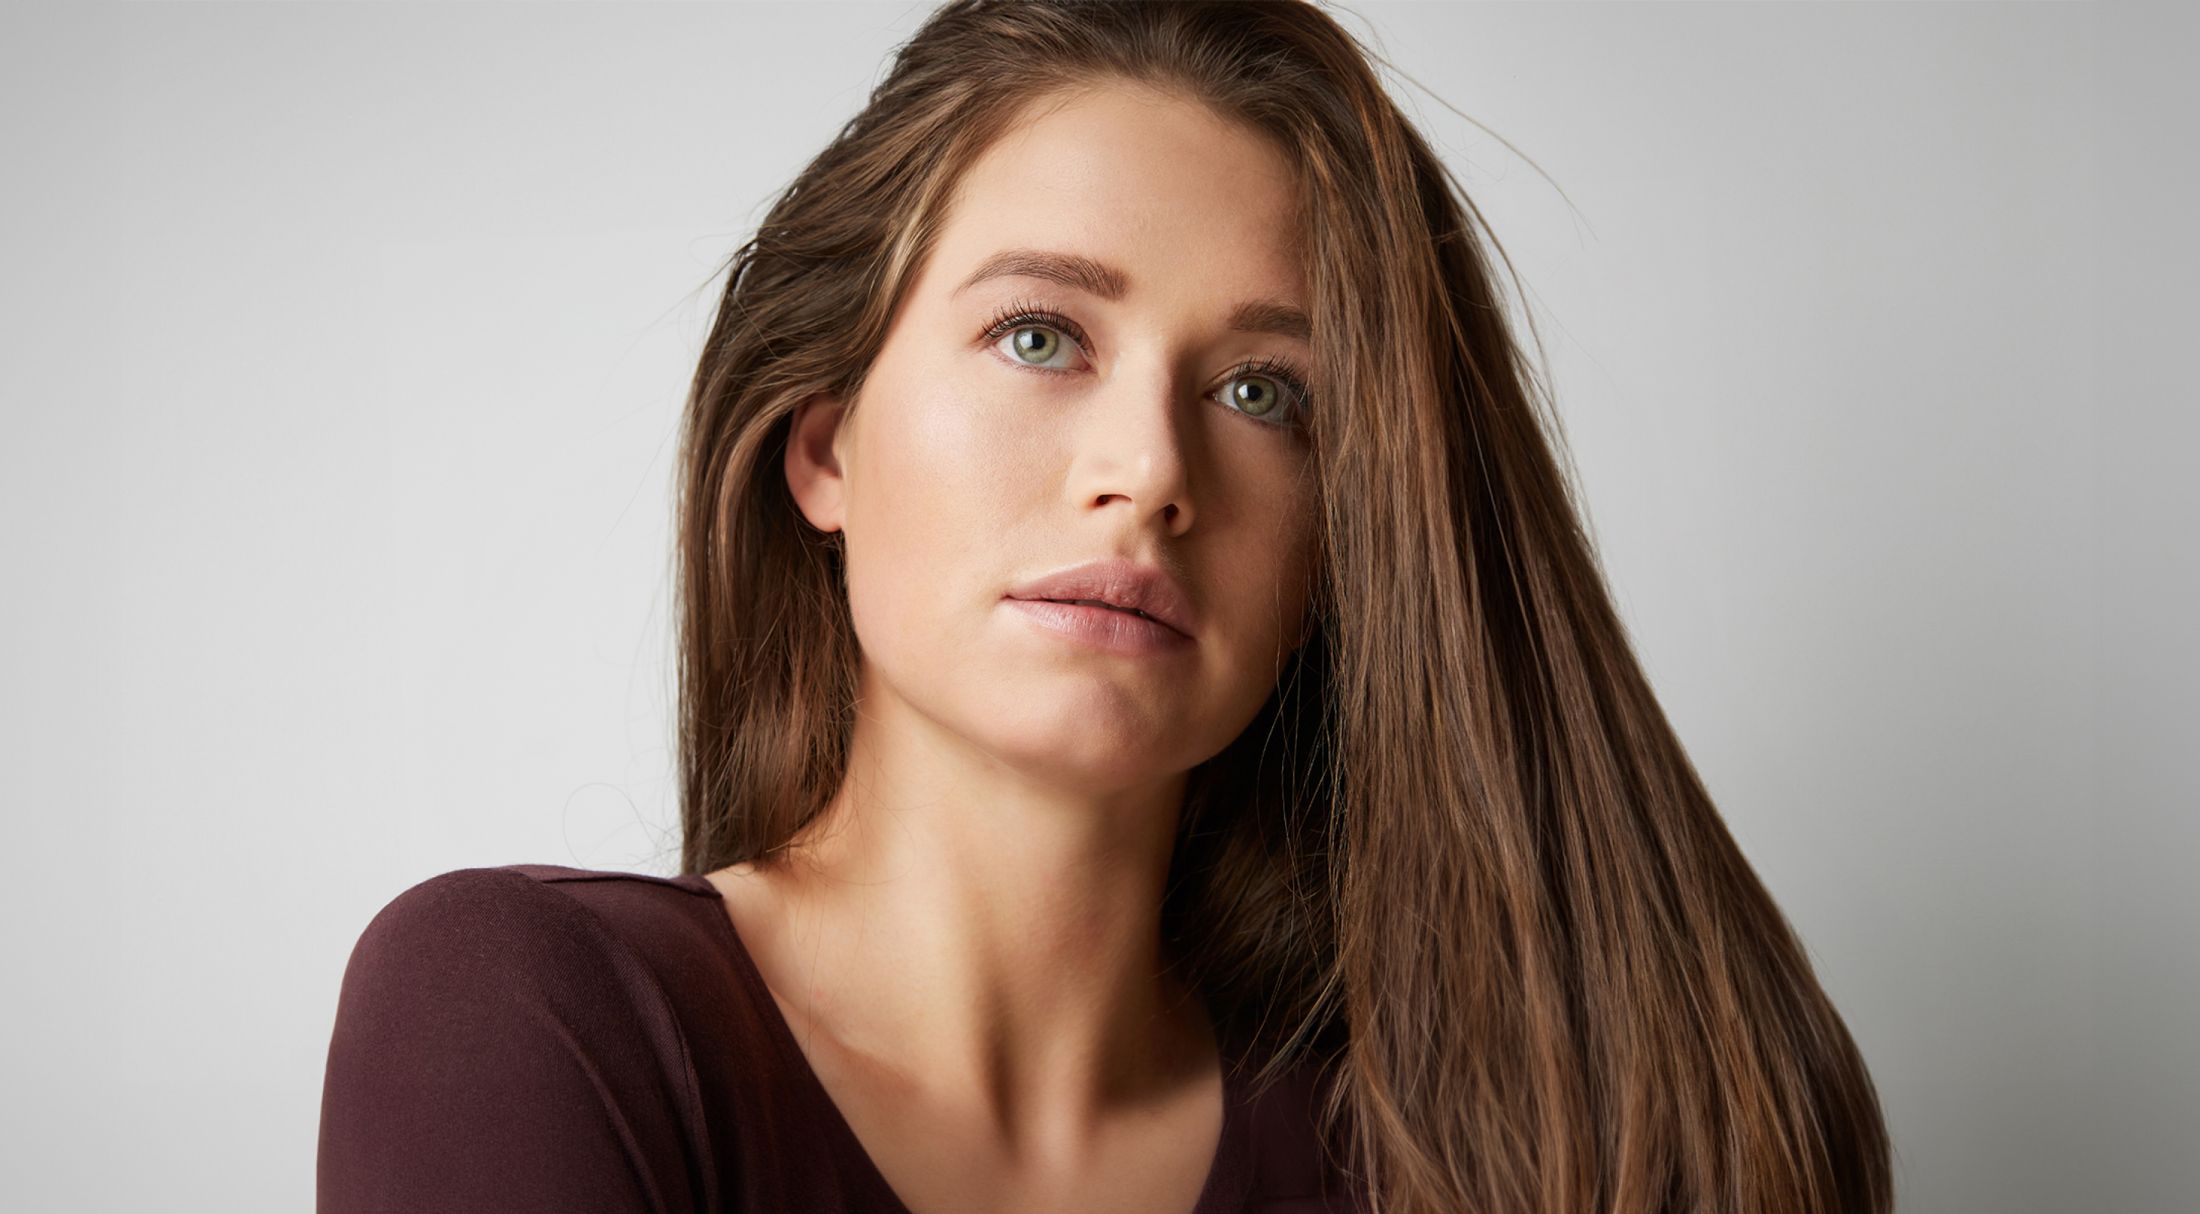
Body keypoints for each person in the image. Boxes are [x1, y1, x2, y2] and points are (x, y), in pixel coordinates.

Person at [317, 2, 1894, 1212]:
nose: (1148, 469)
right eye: (1039, 337)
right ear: (824, 446)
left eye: (1265, 388)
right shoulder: (531, 1021)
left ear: (1350, 540)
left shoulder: (1470, 1141)